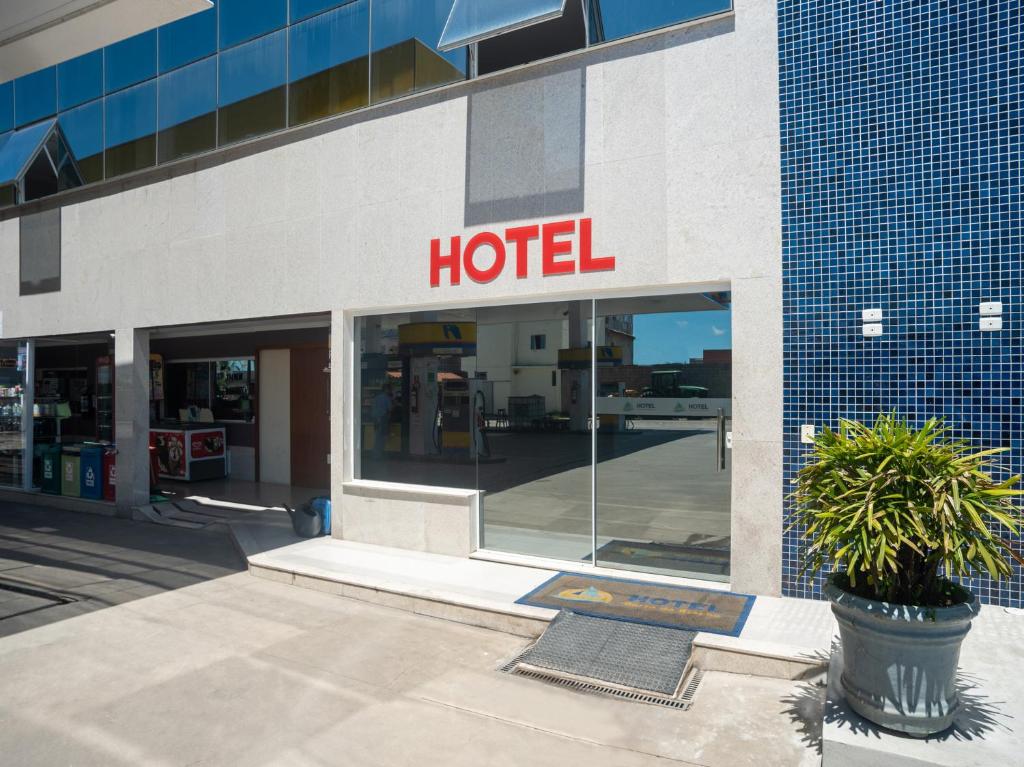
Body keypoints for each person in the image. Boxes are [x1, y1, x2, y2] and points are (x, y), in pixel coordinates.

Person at [371, 383, 394, 459]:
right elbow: (390, 409)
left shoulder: (377, 397)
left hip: (375, 419)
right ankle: (378, 455)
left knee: (377, 437)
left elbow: (373, 408)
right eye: (389, 389)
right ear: (386, 389)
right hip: (383, 419)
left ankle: (375, 454)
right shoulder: (387, 398)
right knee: (382, 438)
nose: (390, 390)